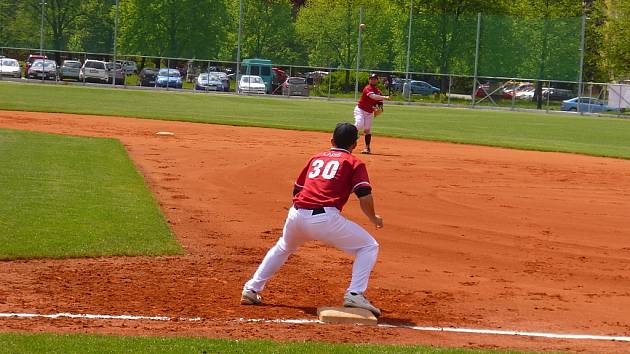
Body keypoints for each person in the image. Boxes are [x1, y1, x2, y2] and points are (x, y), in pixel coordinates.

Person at [241, 123, 384, 316]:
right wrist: (373, 218)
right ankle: (355, 293)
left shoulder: (316, 158)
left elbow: (297, 190)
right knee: (369, 246)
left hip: (296, 214)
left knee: (283, 247)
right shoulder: (353, 162)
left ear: (331, 141)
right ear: (354, 145)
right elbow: (364, 194)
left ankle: (251, 289)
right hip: (325, 219)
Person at [354, 73, 390, 154]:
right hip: (360, 110)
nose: (373, 80)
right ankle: (349, 134)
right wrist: (385, 97)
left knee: (367, 129)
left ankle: (367, 148)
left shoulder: (378, 91)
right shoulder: (367, 88)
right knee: (359, 124)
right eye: (371, 78)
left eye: (374, 79)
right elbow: (373, 97)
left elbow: (379, 104)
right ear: (369, 80)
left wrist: (378, 108)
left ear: (377, 80)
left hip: (369, 112)